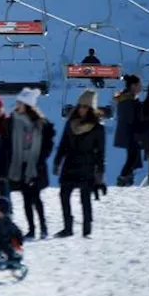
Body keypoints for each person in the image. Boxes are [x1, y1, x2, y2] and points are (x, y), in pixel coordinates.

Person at [54, 89, 106, 238]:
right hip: (70, 163)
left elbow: (100, 152)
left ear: (91, 109)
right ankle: (67, 227)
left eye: (86, 107)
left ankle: (86, 229)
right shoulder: (71, 124)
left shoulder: (98, 128)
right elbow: (63, 144)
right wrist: (58, 161)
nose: (82, 109)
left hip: (87, 165)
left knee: (85, 198)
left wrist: (100, 172)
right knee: (64, 195)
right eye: (80, 106)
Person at [6, 88, 54, 238]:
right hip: (20, 165)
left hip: (35, 166)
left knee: (35, 197)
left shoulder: (40, 124)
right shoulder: (13, 121)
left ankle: (43, 227)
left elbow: (47, 145)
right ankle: (32, 228)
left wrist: (40, 160)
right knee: (26, 198)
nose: (17, 105)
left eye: (20, 102)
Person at [113, 75, 143, 186]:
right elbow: (132, 118)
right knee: (132, 157)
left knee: (132, 157)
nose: (141, 87)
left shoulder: (126, 99)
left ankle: (126, 177)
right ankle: (124, 178)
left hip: (128, 133)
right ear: (133, 86)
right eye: (139, 85)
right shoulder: (129, 101)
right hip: (130, 134)